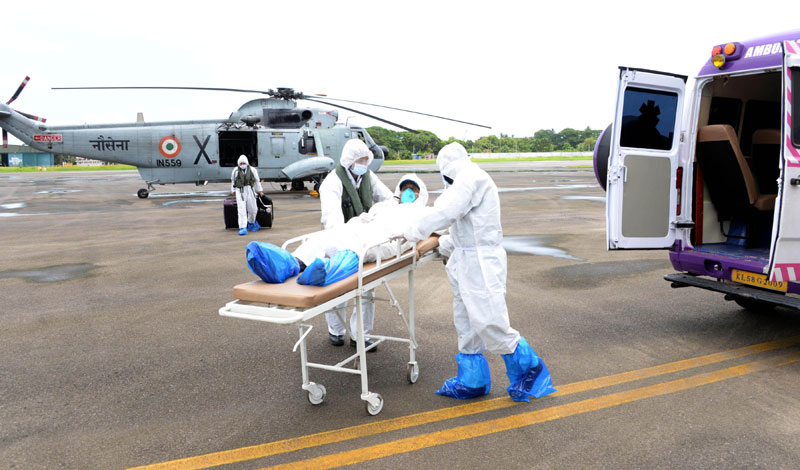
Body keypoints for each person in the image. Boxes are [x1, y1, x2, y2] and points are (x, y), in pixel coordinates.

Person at [401, 142, 556, 402]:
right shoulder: (465, 181)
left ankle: (531, 369)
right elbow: (464, 230)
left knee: (489, 321)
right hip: (466, 260)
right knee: (466, 323)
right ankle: (473, 381)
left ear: (445, 167)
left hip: (481, 263)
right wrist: (441, 244)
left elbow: (445, 213)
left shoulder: (471, 178)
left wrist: (410, 232)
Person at [318, 139, 394, 350]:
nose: (364, 164)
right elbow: (331, 219)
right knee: (338, 288)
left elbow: (387, 198)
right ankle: (336, 331)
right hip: (339, 240)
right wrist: (347, 238)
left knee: (367, 289)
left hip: (365, 241)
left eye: (366, 160)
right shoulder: (332, 183)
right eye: (360, 160)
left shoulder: (368, 176)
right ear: (349, 161)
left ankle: (361, 335)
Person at [231, 155, 264, 236]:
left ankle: (251, 222)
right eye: (241, 163)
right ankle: (242, 227)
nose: (242, 165)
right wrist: (233, 190)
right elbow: (233, 181)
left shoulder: (253, 170)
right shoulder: (235, 170)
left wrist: (260, 191)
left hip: (250, 190)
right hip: (240, 190)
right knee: (241, 209)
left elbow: (257, 181)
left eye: (244, 163)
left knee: (253, 209)